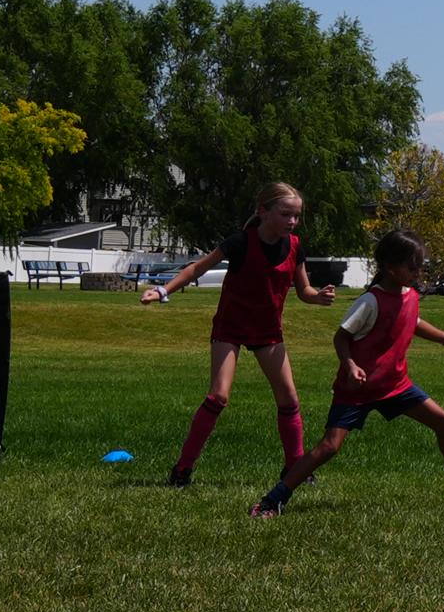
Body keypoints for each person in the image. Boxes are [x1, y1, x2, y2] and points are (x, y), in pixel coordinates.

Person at [250, 231, 444, 516]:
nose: (418, 271)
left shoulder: (410, 296)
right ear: (391, 268)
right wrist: (350, 365)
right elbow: (341, 337)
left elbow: (413, 321)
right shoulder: (370, 302)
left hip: (395, 385)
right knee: (330, 447)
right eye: (413, 266)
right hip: (357, 390)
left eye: (420, 265)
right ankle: (274, 499)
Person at [144, 182, 339, 486]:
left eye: (297, 216)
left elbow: (303, 290)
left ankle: (295, 469)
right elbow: (197, 269)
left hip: (268, 331)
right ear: (263, 212)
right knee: (218, 396)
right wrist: (162, 290)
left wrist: (318, 297)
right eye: (286, 214)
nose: (292, 221)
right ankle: (183, 468)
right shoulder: (240, 242)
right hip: (230, 328)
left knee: (289, 401)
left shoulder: (296, 246)